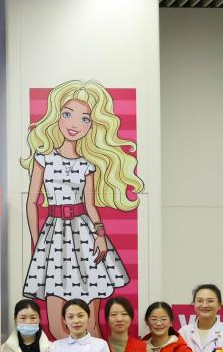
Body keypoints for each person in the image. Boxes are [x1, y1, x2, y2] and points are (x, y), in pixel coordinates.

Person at [20, 80, 140, 337]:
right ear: (57, 116)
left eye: (84, 119)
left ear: (91, 125)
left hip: (84, 234)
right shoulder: (43, 158)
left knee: (91, 323)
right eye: (68, 114)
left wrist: (100, 234)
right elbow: (31, 202)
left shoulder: (87, 165)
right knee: (56, 326)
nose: (74, 124)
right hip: (53, 236)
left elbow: (90, 204)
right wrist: (37, 242)